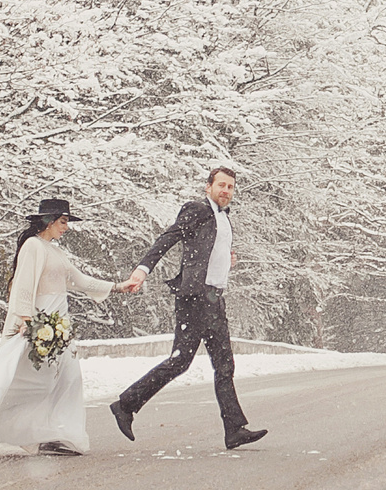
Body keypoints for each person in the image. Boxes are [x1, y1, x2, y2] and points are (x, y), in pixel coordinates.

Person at [108, 166, 268, 451]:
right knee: (180, 361)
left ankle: (234, 429)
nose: (226, 191)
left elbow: (209, 248)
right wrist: (142, 270)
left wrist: (225, 258)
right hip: (194, 299)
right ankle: (126, 405)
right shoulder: (197, 210)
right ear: (208, 187)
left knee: (225, 365)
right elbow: (167, 239)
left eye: (230, 187)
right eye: (221, 185)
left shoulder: (224, 218)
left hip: (215, 300)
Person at [0, 197, 120, 456]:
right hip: (39, 324)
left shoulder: (56, 251)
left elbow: (79, 280)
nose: (66, 228)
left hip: (58, 326)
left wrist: (118, 287)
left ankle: (57, 434)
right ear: (49, 221)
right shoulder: (33, 246)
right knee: (28, 381)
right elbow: (23, 284)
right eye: (63, 222)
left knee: (68, 379)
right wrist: (26, 320)